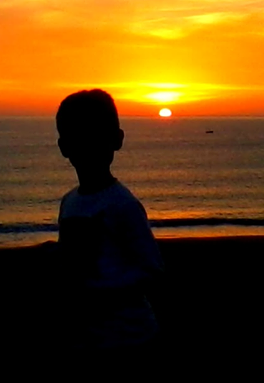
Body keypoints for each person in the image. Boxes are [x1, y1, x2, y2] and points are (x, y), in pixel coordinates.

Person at [55, 89, 164, 353]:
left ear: (116, 140)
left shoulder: (122, 204)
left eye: (96, 136)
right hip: (88, 338)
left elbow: (152, 270)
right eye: (80, 137)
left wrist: (104, 292)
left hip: (130, 339)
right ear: (65, 147)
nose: (88, 146)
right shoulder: (69, 203)